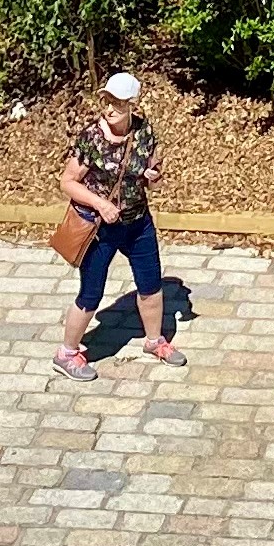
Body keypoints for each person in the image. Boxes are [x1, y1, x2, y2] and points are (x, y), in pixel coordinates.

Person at [52, 71, 178, 380]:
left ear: (132, 104)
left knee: (150, 285)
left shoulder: (144, 133)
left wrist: (153, 178)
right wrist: (101, 204)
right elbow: (67, 182)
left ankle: (154, 341)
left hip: (137, 223)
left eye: (118, 103)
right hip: (99, 228)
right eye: (106, 101)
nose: (109, 108)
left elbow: (153, 173)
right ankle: (66, 353)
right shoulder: (91, 138)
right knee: (91, 293)